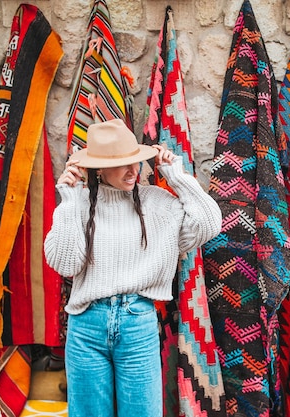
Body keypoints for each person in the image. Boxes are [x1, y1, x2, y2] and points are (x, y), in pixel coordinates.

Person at [44, 118, 222, 417]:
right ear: (98, 168)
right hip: (86, 325)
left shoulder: (157, 203)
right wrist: (69, 200)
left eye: (136, 161)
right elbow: (64, 263)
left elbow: (208, 224)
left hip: (137, 322)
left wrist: (176, 175)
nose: (133, 170)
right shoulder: (80, 202)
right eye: (122, 164)